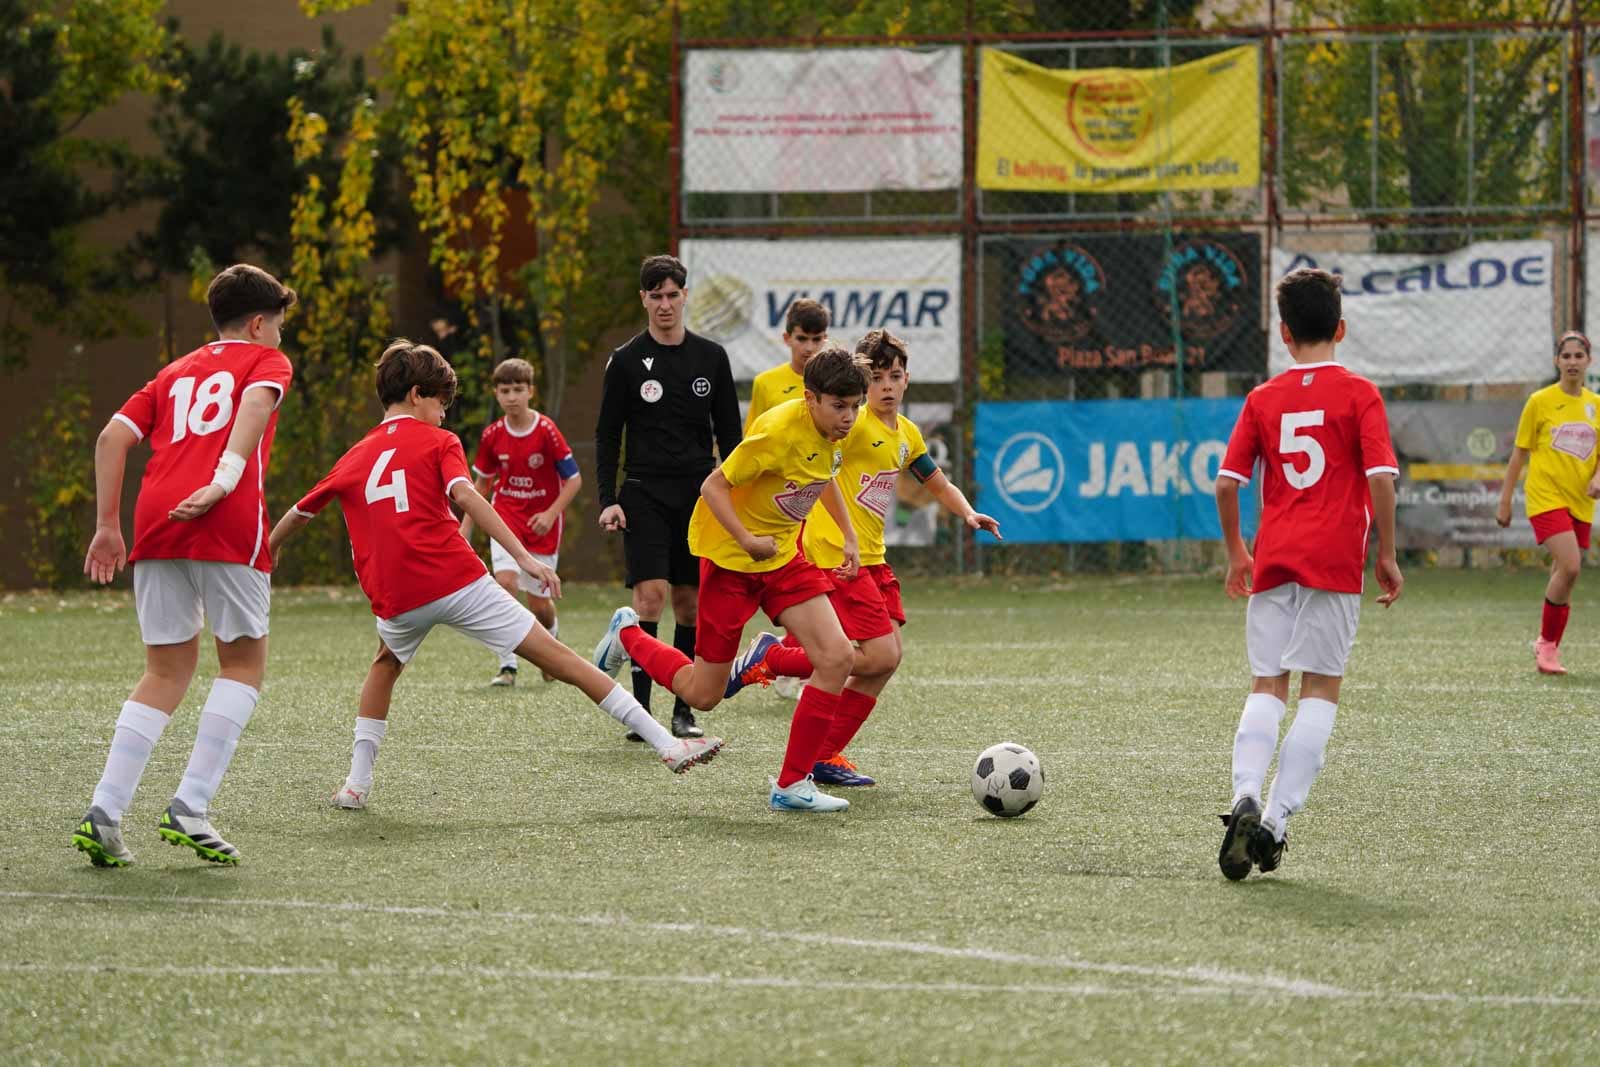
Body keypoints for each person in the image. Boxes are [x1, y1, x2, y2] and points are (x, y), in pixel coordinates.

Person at [269, 340, 721, 811]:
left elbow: (301, 511)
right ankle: (667, 744)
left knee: (385, 666)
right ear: (419, 394)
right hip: (455, 580)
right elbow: (466, 495)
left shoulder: (355, 454)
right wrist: (525, 558)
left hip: (394, 594)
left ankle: (355, 785)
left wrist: (273, 547)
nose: (444, 416)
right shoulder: (439, 441)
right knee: (560, 660)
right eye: (442, 404)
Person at [73, 263, 297, 868]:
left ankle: (105, 809)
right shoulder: (265, 361)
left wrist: (107, 526)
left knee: (165, 670)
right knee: (244, 662)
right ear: (257, 323)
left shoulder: (172, 372)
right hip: (223, 518)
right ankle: (190, 806)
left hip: (156, 517)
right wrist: (225, 480)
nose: (279, 337)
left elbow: (109, 439)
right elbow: (254, 407)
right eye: (276, 326)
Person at [592, 345, 868, 813]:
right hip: (730, 560)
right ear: (810, 398)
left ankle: (791, 785)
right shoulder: (779, 433)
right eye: (839, 406)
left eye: (855, 406)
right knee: (703, 695)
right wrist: (745, 538)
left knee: (838, 657)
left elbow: (825, 476)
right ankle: (628, 633)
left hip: (782, 557)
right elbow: (712, 486)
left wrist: (848, 536)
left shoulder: (835, 430)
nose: (849, 416)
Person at [726, 329, 1003, 788]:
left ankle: (822, 752)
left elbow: (935, 482)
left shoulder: (906, 434)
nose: (887, 387)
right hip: (836, 557)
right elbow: (808, 460)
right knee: (877, 654)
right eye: (876, 378)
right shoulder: (850, 428)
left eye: (895, 376)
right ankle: (775, 658)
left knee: (885, 661)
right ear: (861, 384)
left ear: (908, 380)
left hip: (874, 560)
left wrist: (969, 512)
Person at [1213, 267, 1403, 881]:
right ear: (1341, 328)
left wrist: (1238, 551)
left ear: (1284, 332)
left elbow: (1226, 483)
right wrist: (1387, 554)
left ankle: (1244, 792)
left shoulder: (1264, 398)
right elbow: (1379, 479)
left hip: (1275, 557)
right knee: (1321, 690)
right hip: (1334, 562)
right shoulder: (1359, 393)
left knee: (1267, 684)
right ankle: (1274, 820)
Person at [595, 254, 742, 740]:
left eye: (672, 294)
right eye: (654, 295)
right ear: (643, 299)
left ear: (685, 296)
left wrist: (735, 498)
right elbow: (606, 434)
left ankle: (683, 709)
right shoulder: (626, 360)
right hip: (643, 492)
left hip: (699, 494)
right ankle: (641, 712)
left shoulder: (711, 358)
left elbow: (731, 437)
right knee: (650, 597)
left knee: (689, 605)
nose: (664, 304)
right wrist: (606, 500)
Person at [459, 357, 582, 686]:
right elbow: (480, 487)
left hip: (542, 525)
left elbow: (574, 481)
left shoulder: (546, 432)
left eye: (518, 389)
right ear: (496, 394)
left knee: (540, 606)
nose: (511, 396)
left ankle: (551, 646)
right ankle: (507, 664)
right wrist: (466, 528)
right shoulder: (492, 435)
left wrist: (551, 512)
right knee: (505, 584)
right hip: (506, 518)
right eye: (504, 390)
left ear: (530, 392)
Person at [1495, 330, 1600, 675]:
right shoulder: (1540, 401)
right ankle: (1546, 644)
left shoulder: (1595, 405)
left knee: (1563, 574)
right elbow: (1519, 454)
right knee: (1570, 566)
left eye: (1578, 356)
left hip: (1580, 501)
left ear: (1589, 361)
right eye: (1566, 356)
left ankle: (1549, 649)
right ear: (1556, 361)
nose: (1572, 362)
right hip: (1545, 497)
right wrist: (1506, 500)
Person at [744, 297, 830, 702]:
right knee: (798, 583)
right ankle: (783, 660)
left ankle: (786, 661)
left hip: (815, 500)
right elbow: (752, 443)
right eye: (802, 339)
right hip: (778, 506)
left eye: (816, 339)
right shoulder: (767, 384)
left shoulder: (829, 383)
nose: (809, 347)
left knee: (814, 581)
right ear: (786, 338)